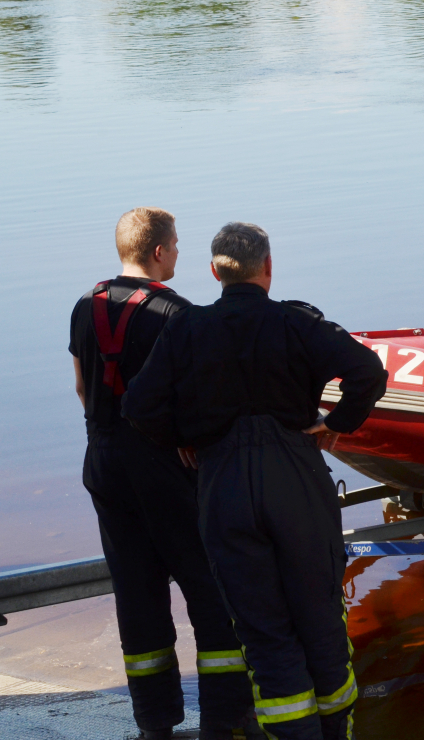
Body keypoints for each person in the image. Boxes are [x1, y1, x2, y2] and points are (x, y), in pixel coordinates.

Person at [123, 222, 388, 740]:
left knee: (263, 629)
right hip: (296, 477)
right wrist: (333, 426)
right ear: (268, 267)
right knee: (320, 618)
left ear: (215, 272)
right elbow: (367, 373)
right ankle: (336, 730)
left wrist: (187, 436)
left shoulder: (186, 328)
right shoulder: (296, 322)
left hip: (223, 485)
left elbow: (138, 405)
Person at [70, 207, 259, 740]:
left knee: (136, 590)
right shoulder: (179, 315)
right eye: (175, 246)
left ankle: (154, 721)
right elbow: (201, 403)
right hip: (164, 463)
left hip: (103, 463)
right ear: (159, 251)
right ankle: (223, 718)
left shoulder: (85, 306)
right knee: (208, 584)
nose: (178, 254)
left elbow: (84, 390)